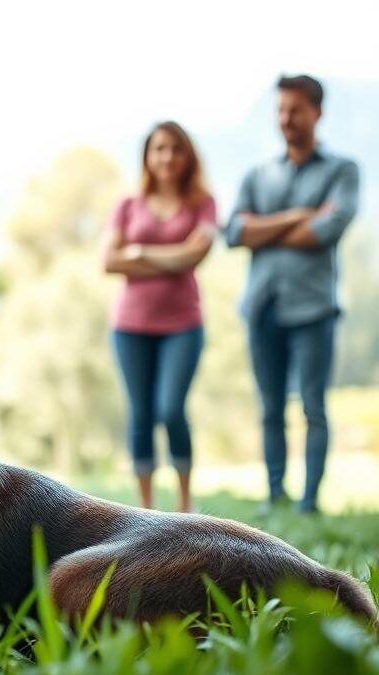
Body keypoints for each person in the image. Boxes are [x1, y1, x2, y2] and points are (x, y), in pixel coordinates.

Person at [225, 75, 359, 515]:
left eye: (295, 110)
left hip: (314, 308)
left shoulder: (342, 171)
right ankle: (275, 494)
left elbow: (327, 229)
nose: (286, 118)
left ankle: (308, 501)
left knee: (313, 407)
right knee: (270, 408)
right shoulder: (257, 175)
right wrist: (297, 216)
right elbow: (235, 231)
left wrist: (267, 228)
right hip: (262, 306)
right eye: (280, 110)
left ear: (316, 112)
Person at [102, 121, 217, 513]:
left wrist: (139, 254)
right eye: (159, 149)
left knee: (170, 409)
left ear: (188, 156)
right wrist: (172, 258)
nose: (167, 156)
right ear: (148, 157)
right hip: (129, 327)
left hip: (183, 325)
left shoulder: (202, 203)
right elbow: (108, 260)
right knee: (141, 414)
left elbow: (195, 255)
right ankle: (146, 508)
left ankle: (186, 504)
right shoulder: (128, 205)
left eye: (175, 148)